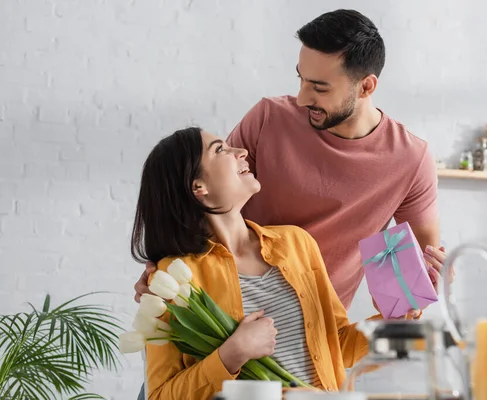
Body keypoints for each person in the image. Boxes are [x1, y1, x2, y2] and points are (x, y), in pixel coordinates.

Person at [134, 9, 446, 315]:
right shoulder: (268, 118)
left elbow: (411, 280)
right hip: (230, 312)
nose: (302, 98)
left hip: (320, 333)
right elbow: (203, 195)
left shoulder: (410, 159)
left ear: (366, 86)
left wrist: (416, 294)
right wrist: (163, 270)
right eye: (302, 80)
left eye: (319, 87)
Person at [133, 127, 405, 399]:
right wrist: (230, 355)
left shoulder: (296, 243)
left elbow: (339, 345)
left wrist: (397, 316)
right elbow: (159, 395)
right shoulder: (173, 278)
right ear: (198, 187)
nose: (242, 152)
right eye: (220, 150)